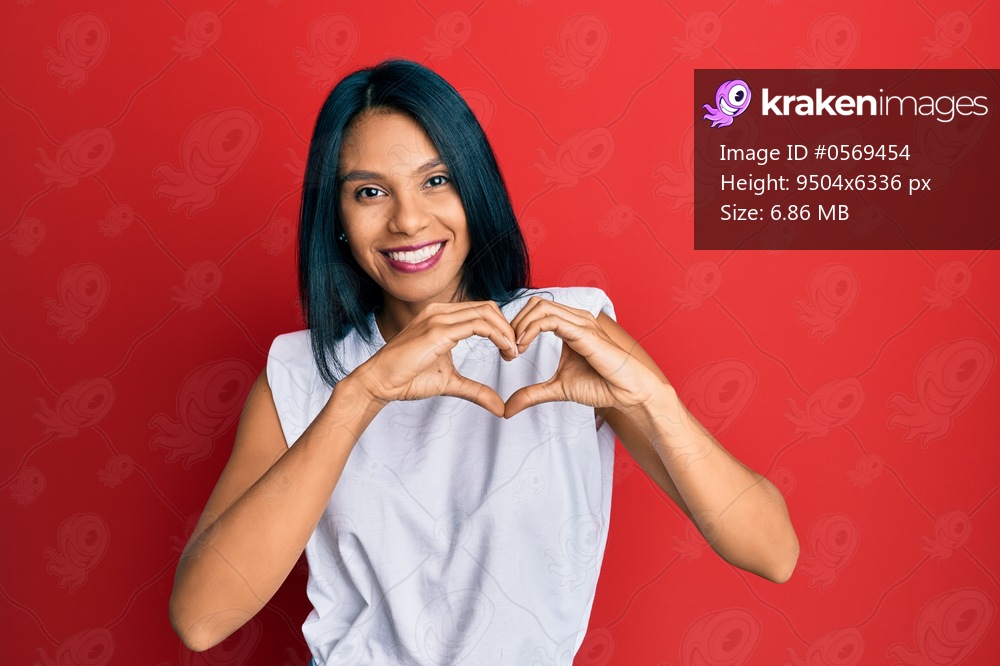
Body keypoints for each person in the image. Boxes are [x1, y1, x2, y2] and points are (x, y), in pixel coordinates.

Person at [169, 59, 799, 664]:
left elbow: (773, 552)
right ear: (336, 216)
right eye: (369, 192)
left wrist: (654, 402)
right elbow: (201, 620)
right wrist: (360, 396)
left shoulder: (567, 335)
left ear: (476, 190)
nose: (409, 219)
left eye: (436, 181)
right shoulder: (303, 372)